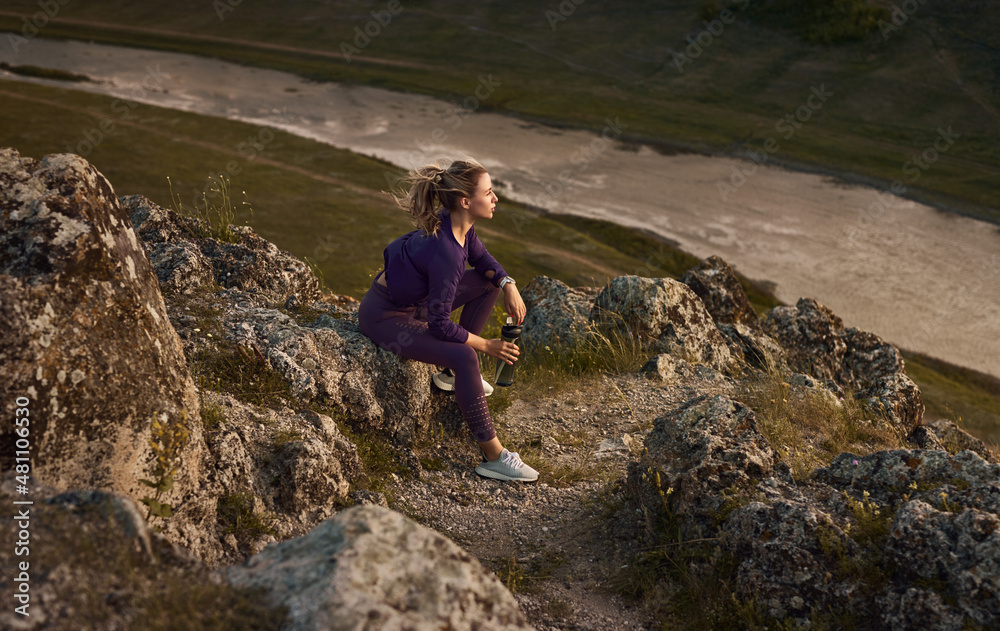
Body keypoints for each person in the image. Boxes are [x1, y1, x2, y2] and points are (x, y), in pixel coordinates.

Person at [358, 158, 539, 482]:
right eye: (489, 192)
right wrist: (487, 345)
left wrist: (507, 283)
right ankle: (494, 456)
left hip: (414, 303)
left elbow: (482, 260)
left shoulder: (457, 226)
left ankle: (448, 374)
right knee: (465, 354)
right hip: (385, 317)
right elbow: (441, 325)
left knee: (487, 283)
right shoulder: (447, 252)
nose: (496, 198)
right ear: (467, 202)